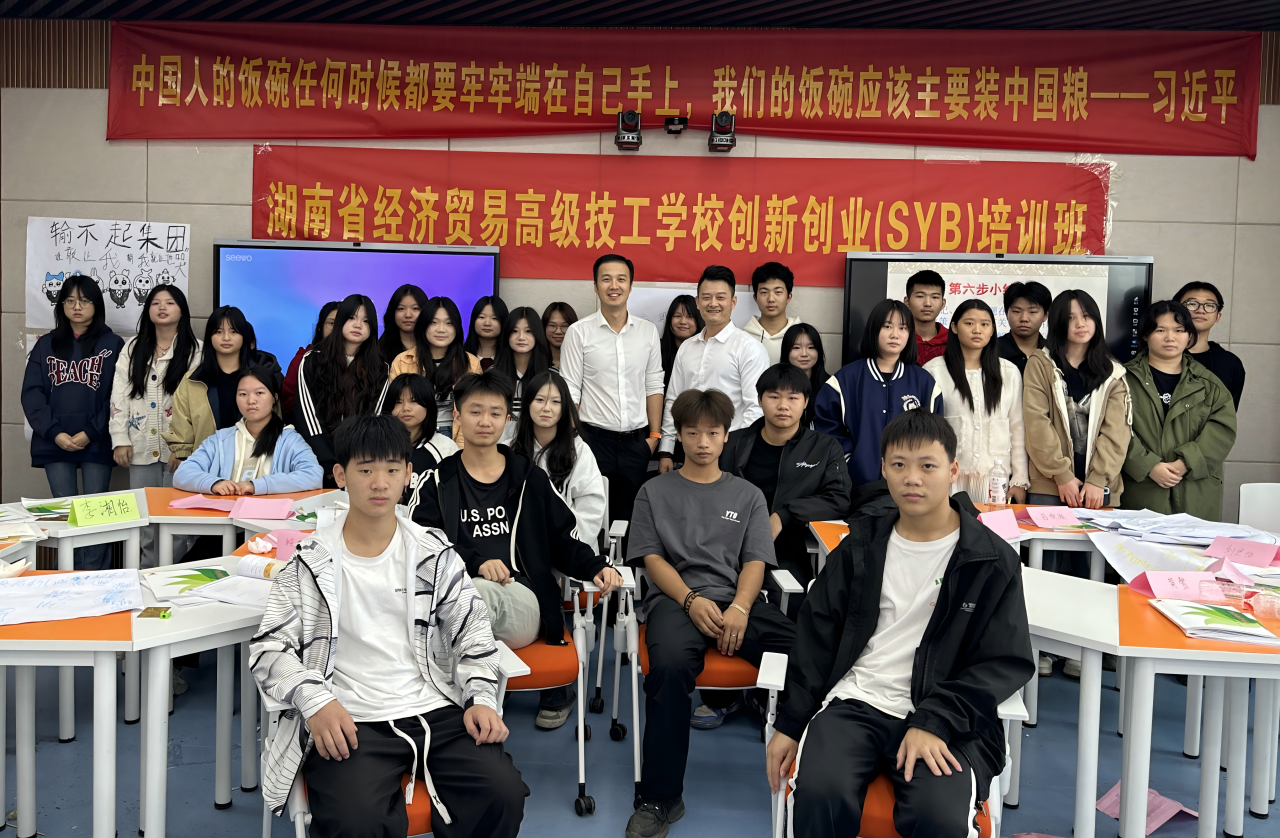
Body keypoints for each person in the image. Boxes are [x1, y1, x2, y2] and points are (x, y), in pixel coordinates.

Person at [251, 413, 527, 838]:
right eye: (365, 470)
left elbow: (472, 632)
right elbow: (269, 648)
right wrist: (316, 702)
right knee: (356, 820)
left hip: (434, 707)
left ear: (408, 475)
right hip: (350, 717)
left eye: (392, 470)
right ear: (340, 475)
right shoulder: (310, 561)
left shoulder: (433, 554)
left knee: (502, 793)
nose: (380, 483)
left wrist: (481, 697)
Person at [765, 409, 1034, 838]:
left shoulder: (989, 559)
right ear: (883, 470)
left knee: (938, 818)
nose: (912, 478)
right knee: (820, 793)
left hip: (945, 715)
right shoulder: (860, 545)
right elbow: (816, 636)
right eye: (899, 465)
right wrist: (791, 722)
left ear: (953, 471)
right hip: (855, 701)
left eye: (927, 466)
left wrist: (936, 720)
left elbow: (1002, 660)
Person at [625, 389, 796, 838]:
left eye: (713, 433)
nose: (703, 442)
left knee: (805, 654)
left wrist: (739, 606)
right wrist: (689, 600)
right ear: (679, 436)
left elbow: (755, 561)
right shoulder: (653, 492)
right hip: (675, 601)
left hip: (737, 600)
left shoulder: (748, 495)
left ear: (726, 436)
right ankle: (660, 797)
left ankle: (808, 781)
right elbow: (651, 559)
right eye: (692, 433)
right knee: (668, 667)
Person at [411, 369, 622, 730]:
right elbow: (422, 547)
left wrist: (594, 566)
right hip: (453, 599)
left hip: (522, 600)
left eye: (495, 413)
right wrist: (476, 563)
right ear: (457, 416)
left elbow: (561, 538)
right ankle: (482, 698)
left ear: (507, 419)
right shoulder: (437, 481)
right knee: (469, 593)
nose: (485, 421)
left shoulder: (528, 477)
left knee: (479, 595)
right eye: (475, 412)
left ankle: (467, 702)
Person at [22, 273, 125, 570]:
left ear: (97, 304)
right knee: (65, 515)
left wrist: (91, 431)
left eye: (84, 301)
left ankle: (95, 576)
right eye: (69, 301)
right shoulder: (46, 344)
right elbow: (32, 394)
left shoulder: (113, 344)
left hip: (97, 440)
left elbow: (118, 396)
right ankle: (65, 575)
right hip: (54, 440)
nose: (77, 307)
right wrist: (54, 433)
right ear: (61, 305)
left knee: (95, 513)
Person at [720, 364, 851, 595]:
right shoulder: (732, 444)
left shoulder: (824, 447)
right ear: (759, 400)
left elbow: (839, 498)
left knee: (790, 601)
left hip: (787, 551)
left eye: (792, 397)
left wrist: (783, 516)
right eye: (774, 397)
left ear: (806, 401)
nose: (783, 405)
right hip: (728, 547)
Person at [560, 254, 665, 528]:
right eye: (606, 279)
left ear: (631, 286)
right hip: (593, 441)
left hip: (637, 444)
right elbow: (570, 389)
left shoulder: (648, 332)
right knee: (592, 519)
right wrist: (573, 439)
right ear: (595, 286)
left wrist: (654, 437)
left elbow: (654, 385)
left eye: (621, 279)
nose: (614, 285)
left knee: (630, 522)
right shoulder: (578, 332)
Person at [109, 283, 201, 564]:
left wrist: (184, 448)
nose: (162, 307)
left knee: (180, 519)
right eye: (156, 303)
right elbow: (119, 395)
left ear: (182, 310)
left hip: (181, 454)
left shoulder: (196, 350)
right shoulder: (133, 348)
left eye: (170, 302)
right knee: (145, 518)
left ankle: (175, 575)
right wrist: (119, 439)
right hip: (139, 447)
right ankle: (147, 573)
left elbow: (198, 405)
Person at [1122, 301, 1236, 520]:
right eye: (1160, 330)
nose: (1170, 337)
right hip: (1140, 492)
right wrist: (1148, 465)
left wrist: (1185, 463)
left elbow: (1222, 432)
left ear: (1189, 335)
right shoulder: (1122, 380)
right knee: (1137, 543)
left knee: (1192, 543)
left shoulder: (1209, 385)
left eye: (1179, 330)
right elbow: (1112, 430)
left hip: (1195, 494)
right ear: (1145, 335)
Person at [1023, 289, 1131, 510]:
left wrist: (1098, 479)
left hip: (1099, 489)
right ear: (1057, 323)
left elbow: (1117, 431)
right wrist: (1061, 475)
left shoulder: (1113, 372)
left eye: (1086, 316)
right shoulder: (1041, 364)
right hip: (1050, 486)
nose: (1080, 324)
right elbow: (1036, 422)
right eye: (1070, 318)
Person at [814, 299, 939, 487]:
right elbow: (826, 427)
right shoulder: (845, 380)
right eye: (887, 326)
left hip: (910, 486)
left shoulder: (924, 382)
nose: (895, 334)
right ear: (874, 330)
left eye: (903, 328)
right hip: (856, 488)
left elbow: (935, 435)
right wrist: (850, 461)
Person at [659, 265, 771, 474]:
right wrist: (666, 450)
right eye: (706, 297)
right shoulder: (687, 347)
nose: (713, 303)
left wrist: (735, 449)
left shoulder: (749, 348)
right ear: (697, 302)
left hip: (732, 453)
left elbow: (755, 408)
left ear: (733, 302)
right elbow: (673, 400)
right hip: (688, 450)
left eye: (720, 297)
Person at [924, 300, 1030, 504]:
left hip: (995, 479)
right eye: (969, 323)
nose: (977, 330)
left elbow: (1017, 428)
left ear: (992, 330)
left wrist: (1019, 480)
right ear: (954, 327)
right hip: (948, 478)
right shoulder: (934, 371)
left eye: (984, 324)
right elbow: (926, 430)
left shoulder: (1009, 372)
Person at [174, 367, 323, 495]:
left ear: (274, 398)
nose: (251, 401)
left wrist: (257, 485)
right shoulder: (220, 439)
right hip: (226, 516)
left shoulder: (289, 439)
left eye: (259, 393)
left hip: (270, 517)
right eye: (243, 394)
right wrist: (214, 483)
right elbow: (182, 473)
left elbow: (313, 475)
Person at [163, 305, 281, 462]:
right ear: (210, 336)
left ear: (244, 336)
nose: (226, 337)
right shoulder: (193, 380)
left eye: (233, 331)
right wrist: (183, 455)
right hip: (206, 463)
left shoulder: (262, 378)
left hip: (255, 462)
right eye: (218, 332)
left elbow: (275, 421)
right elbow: (182, 424)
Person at [295, 294, 390, 487]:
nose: (358, 325)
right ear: (340, 321)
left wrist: (354, 462)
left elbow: (374, 417)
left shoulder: (380, 368)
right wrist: (329, 462)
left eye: (365, 321)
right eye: (351, 318)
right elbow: (307, 416)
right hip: (317, 463)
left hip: (359, 462)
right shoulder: (313, 360)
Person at [511, 369, 607, 548]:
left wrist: (564, 549)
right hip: (521, 550)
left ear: (564, 408)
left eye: (555, 402)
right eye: (539, 400)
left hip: (571, 550)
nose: (546, 408)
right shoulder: (510, 451)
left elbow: (591, 512)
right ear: (528, 403)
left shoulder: (579, 451)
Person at [389, 296, 483, 449]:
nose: (441, 329)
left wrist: (460, 450)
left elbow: (475, 410)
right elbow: (394, 407)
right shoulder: (403, 361)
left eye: (448, 323)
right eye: (433, 322)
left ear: (457, 327)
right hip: (413, 436)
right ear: (423, 325)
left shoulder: (470, 363)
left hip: (454, 434)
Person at [381, 373, 458, 510]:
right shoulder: (377, 445)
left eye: (414, 400)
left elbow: (454, 497)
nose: (406, 408)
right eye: (398, 402)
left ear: (428, 404)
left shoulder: (445, 448)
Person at [1174, 281, 1246, 410]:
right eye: (1192, 304)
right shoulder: (1157, 355)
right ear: (1175, 311)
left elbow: (1227, 415)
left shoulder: (1230, 363)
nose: (1200, 310)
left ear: (1218, 316)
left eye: (1209, 305)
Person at [492, 305, 552, 431]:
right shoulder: (493, 375)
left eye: (528, 331)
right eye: (514, 331)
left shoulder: (551, 376)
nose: (521, 337)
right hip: (499, 440)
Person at [282, 301, 338, 418]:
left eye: (342, 323)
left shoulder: (360, 361)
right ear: (320, 327)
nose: (336, 329)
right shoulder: (303, 359)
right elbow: (288, 404)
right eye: (331, 323)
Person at [742, 262, 802, 365]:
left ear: (788, 297)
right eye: (764, 292)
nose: (771, 299)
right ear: (755, 298)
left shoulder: (802, 336)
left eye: (778, 292)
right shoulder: (743, 337)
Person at [780, 323, 829, 428]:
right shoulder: (777, 384)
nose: (804, 354)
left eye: (811, 347)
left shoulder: (830, 386)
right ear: (786, 351)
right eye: (796, 347)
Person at [997, 281, 1051, 374]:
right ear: (1006, 313)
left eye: (1033, 312)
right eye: (1016, 311)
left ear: (1045, 315)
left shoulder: (1053, 352)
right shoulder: (991, 350)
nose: (1024, 318)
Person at [377, 284, 428, 369]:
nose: (408, 315)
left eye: (415, 308)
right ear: (393, 313)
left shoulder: (434, 350)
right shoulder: (378, 352)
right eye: (401, 308)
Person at [904, 270, 948, 365]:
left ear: (943, 303)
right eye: (920, 296)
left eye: (934, 297)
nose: (927, 303)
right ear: (907, 302)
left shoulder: (954, 341)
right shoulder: (897, 338)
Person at [659, 294, 703, 388]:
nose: (683, 321)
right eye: (677, 316)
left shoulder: (706, 351)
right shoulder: (656, 349)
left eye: (690, 316)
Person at [463, 295, 509, 371]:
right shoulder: (461, 356)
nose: (487, 323)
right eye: (482, 317)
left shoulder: (511, 358)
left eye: (494, 318)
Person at [542, 301, 578, 370]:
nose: (558, 331)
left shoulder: (582, 361)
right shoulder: (534, 361)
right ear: (544, 327)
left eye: (564, 326)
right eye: (552, 325)